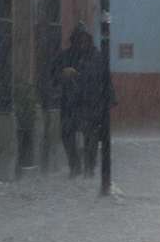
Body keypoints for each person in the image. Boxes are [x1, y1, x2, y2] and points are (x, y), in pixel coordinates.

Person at [50, 23, 116, 178]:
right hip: (70, 103)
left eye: (84, 39)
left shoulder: (97, 57)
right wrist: (63, 75)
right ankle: (75, 166)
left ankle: (89, 168)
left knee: (91, 136)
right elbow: (53, 76)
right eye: (78, 39)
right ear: (74, 40)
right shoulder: (65, 57)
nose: (81, 42)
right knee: (67, 134)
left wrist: (109, 98)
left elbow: (105, 79)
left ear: (88, 40)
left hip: (90, 103)